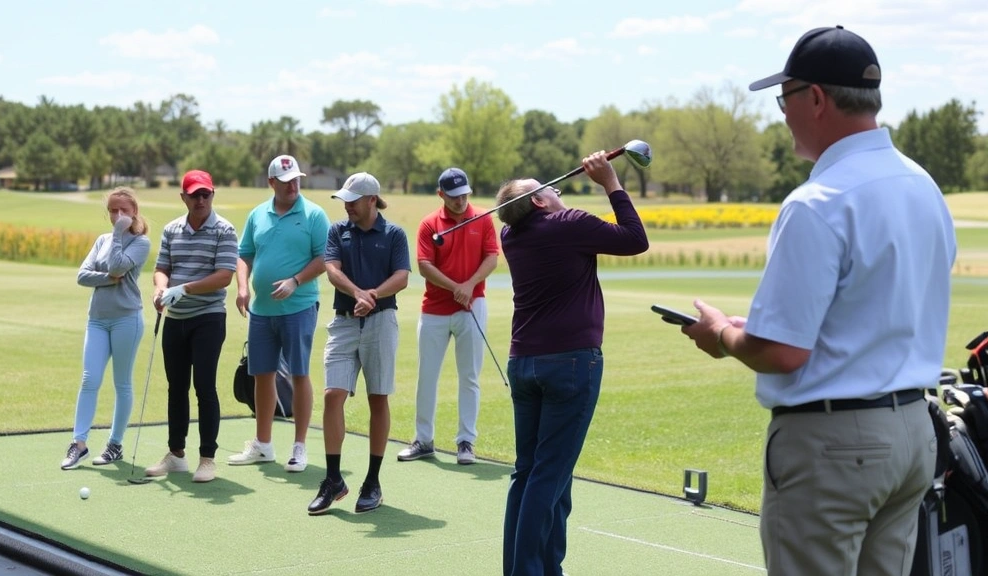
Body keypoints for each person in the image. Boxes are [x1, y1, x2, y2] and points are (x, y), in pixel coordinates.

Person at [681, 26, 956, 576]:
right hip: (912, 432)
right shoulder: (922, 184)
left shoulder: (818, 201)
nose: (782, 113)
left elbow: (783, 352)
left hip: (835, 442)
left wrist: (723, 336)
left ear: (816, 99)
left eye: (785, 98)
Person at [497, 153, 648, 575]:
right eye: (550, 188)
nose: (557, 190)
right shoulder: (569, 224)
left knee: (533, 473)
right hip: (569, 365)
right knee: (548, 475)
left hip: (524, 363)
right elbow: (636, 239)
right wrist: (611, 182)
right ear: (541, 204)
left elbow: (524, 213)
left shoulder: (512, 234)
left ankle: (545, 569)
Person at [308, 172, 410, 516]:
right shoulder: (338, 231)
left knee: (377, 398)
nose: (347, 206)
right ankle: (334, 479)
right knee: (332, 394)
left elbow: (402, 277)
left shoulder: (394, 234)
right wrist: (358, 293)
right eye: (344, 201)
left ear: (371, 200)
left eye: (353, 200)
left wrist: (374, 295)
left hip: (381, 322)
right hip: (344, 321)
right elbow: (331, 269)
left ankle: (372, 482)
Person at [229, 154, 330, 472]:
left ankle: (299, 447)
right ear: (271, 182)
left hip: (299, 307)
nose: (293, 186)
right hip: (261, 310)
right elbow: (244, 254)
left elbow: (324, 258)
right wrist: (242, 287)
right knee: (262, 375)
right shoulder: (258, 214)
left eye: (297, 179)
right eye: (286, 182)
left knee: (299, 375)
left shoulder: (314, 214)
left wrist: (295, 280)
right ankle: (264, 444)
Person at [398, 167, 499, 465]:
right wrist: (456, 287)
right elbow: (424, 264)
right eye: (453, 196)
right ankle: (423, 440)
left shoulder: (483, 218)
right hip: (435, 309)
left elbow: (492, 257)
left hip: (473, 306)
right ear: (441, 194)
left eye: (464, 194)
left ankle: (466, 441)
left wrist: (469, 286)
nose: (460, 201)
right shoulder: (430, 224)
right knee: (427, 376)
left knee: (469, 376)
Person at [145, 169, 238, 483]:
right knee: (176, 388)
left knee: (205, 386)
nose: (201, 200)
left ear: (212, 195)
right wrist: (160, 289)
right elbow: (162, 268)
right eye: (194, 194)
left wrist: (183, 289)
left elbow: (225, 275)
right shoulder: (172, 229)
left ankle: (208, 458)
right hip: (176, 319)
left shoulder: (224, 230)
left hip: (209, 317)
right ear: (183, 197)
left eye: (206, 194)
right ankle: (176, 455)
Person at [61, 188, 151, 470]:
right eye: (113, 210)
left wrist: (118, 235)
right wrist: (109, 279)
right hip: (97, 319)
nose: (117, 215)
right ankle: (79, 444)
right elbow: (82, 276)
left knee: (121, 383)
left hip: (127, 318)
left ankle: (115, 444)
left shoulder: (141, 242)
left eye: (123, 210)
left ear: (134, 211)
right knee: (90, 379)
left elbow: (117, 264)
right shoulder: (101, 240)